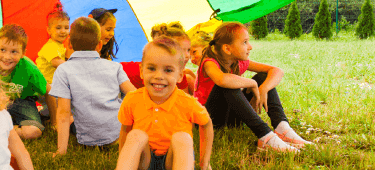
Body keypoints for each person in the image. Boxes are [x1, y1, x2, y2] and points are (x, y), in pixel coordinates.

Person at [195, 22, 312, 152]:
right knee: (228, 84)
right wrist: (252, 83)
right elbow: (222, 80)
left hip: (231, 119)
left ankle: (282, 128)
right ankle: (265, 137)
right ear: (227, 49)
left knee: (263, 77)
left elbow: (276, 71)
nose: (250, 47)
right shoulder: (209, 63)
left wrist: (263, 88)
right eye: (245, 42)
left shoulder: (239, 62)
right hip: (209, 120)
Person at [116, 37, 213, 170]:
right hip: (145, 160)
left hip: (173, 161)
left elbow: (206, 124)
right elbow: (125, 132)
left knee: (183, 138)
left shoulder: (187, 102)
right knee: (135, 135)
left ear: (180, 75)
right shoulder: (132, 99)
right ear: (141, 71)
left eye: (168, 70)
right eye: (151, 68)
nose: (159, 76)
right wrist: (125, 160)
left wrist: (205, 162)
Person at [50, 17, 136, 156]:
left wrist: (61, 151)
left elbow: (63, 113)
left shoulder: (63, 70)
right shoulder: (115, 67)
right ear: (100, 45)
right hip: (118, 134)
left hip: (86, 139)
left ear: (69, 44)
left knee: (71, 116)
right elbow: (134, 95)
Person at [0, 24, 48, 140]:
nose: (7, 57)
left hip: (22, 101)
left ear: (23, 53)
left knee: (33, 131)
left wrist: (56, 121)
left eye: (14, 52)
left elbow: (49, 91)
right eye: (2, 50)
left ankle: (4, 130)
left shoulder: (29, 68)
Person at [36, 2, 70, 126]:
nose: (63, 31)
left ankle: (44, 112)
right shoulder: (50, 46)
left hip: (53, 85)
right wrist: (74, 67)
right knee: (64, 101)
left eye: (66, 28)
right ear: (49, 30)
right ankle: (51, 116)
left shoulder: (60, 46)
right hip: (45, 86)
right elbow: (57, 62)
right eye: (58, 28)